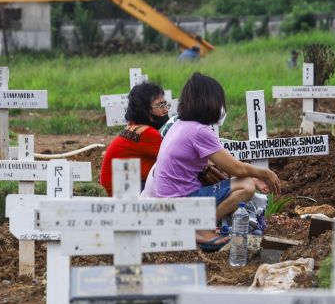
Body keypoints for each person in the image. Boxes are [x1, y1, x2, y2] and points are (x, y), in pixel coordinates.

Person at [150, 72, 281, 251]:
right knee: (247, 187)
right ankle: (200, 228)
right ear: (209, 101)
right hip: (180, 204)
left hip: (167, 202)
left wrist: (253, 175)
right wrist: (264, 173)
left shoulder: (181, 125)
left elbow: (218, 164)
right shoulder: (199, 131)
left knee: (246, 181)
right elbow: (236, 168)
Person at [99, 82, 170, 197]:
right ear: (145, 110)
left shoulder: (133, 127)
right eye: (159, 105)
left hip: (118, 189)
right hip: (123, 194)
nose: (165, 110)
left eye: (165, 104)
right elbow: (175, 159)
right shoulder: (148, 134)